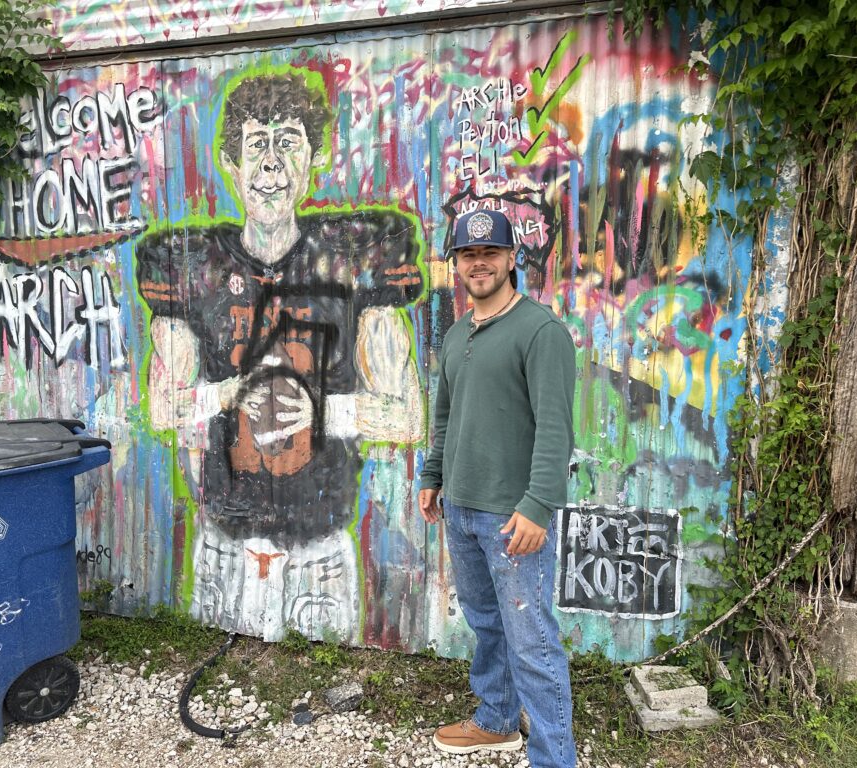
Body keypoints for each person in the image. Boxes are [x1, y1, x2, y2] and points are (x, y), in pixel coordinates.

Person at [136, 72, 424, 641]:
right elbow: (162, 410)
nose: (271, 164)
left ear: (314, 158)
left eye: (288, 141)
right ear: (231, 163)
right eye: (257, 145)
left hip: (318, 547)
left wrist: (325, 412)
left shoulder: (353, 261)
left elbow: (409, 417)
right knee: (231, 687)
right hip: (224, 541)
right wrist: (229, 393)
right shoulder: (194, 267)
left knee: (318, 694)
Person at [418, 208, 577, 767]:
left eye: (490, 253)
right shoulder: (460, 332)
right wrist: (433, 477)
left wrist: (537, 506)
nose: (478, 263)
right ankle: (496, 720)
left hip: (512, 517)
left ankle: (555, 758)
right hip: (461, 507)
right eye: (467, 254)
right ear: (456, 264)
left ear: (513, 259)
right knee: (486, 624)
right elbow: (446, 415)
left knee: (531, 642)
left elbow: (556, 428)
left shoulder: (541, 330)